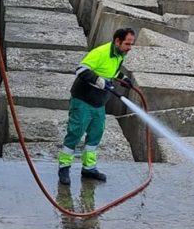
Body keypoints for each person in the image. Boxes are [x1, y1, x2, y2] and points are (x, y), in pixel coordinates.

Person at [57, 28, 136, 185]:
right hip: (83, 101)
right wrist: (98, 80)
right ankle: (64, 168)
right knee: (75, 133)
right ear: (117, 41)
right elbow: (81, 70)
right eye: (127, 44)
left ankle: (89, 168)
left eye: (131, 44)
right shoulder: (100, 52)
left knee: (95, 135)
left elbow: (111, 71)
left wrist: (123, 78)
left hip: (99, 103)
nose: (129, 48)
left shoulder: (119, 54)